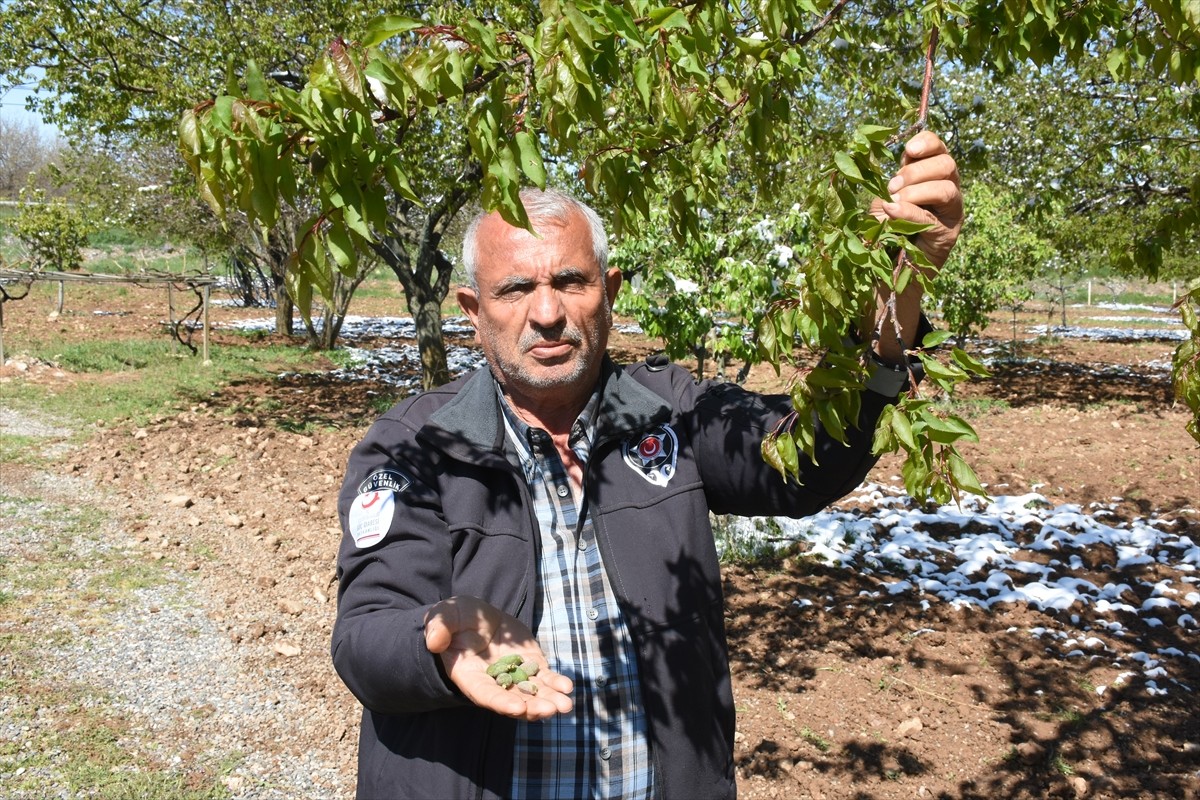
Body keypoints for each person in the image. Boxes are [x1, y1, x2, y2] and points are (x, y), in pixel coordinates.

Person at [332, 130, 963, 799]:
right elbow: (365, 636)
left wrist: (894, 305)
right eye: (515, 289)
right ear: (473, 310)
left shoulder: (670, 412)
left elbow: (803, 461)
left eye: (570, 281)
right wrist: (435, 643)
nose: (547, 313)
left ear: (609, 291)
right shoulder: (414, 446)